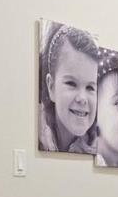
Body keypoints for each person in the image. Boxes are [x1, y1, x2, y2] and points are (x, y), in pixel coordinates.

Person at [38, 22, 99, 154]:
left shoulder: (112, 151)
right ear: (51, 87)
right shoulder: (31, 134)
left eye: (90, 87)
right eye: (71, 83)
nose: (82, 98)